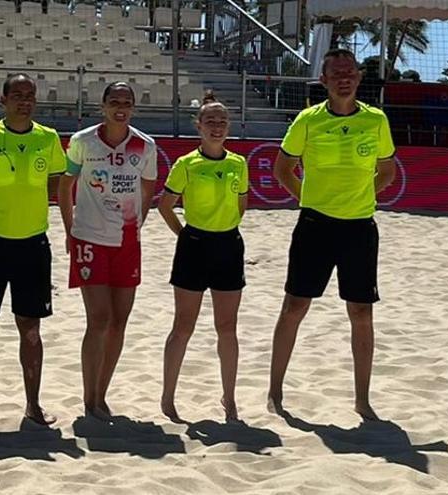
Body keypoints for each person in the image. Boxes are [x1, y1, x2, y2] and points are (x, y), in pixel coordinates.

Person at [267, 48, 396, 421]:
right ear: (323, 81)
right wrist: (309, 200)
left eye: (350, 72)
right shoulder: (308, 120)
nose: (344, 77)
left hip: (359, 228)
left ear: (358, 78)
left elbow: (387, 171)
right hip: (315, 226)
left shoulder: (376, 120)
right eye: (336, 72)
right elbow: (283, 169)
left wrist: (361, 198)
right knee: (295, 306)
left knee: (361, 311)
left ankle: (362, 399)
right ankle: (275, 392)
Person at [0, 73, 66, 426]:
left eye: (30, 95)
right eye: (17, 95)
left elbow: (56, 181)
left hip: (33, 245)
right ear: (3, 100)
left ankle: (32, 406)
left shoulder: (48, 138)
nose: (24, 100)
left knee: (32, 330)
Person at [57, 82, 157, 420]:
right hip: (90, 239)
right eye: (114, 101)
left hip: (127, 241)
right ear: (102, 105)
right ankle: (89, 399)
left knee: (119, 321)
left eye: (126, 102)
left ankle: (102, 394)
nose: (120, 107)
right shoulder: (83, 141)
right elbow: (65, 186)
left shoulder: (145, 146)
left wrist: (138, 219)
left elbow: (148, 184)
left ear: (133, 107)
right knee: (98, 318)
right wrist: (70, 229)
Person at [158, 91, 249, 423]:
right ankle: (168, 397)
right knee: (183, 326)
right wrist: (185, 236)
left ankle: (230, 397)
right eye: (210, 121)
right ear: (198, 126)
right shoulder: (187, 164)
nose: (217, 126)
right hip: (194, 246)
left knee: (227, 327)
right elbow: (165, 206)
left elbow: (241, 205)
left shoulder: (239, 163)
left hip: (228, 246)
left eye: (222, 121)